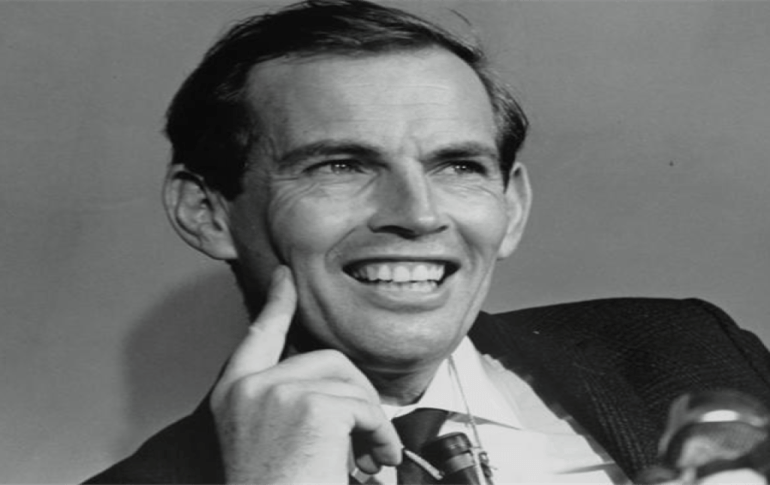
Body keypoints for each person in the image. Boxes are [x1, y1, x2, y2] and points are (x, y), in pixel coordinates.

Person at [83, 1, 770, 484]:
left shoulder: (694, 352)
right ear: (206, 212)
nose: (417, 214)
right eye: (340, 165)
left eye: (458, 167)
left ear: (511, 206)